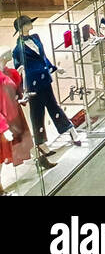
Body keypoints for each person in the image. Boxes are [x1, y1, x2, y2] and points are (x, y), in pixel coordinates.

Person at [11, 16, 80, 152]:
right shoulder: (18, 49)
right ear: (22, 27)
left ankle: (69, 129)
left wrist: (53, 68)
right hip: (33, 83)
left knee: (53, 105)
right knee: (37, 112)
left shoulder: (36, 38)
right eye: (28, 23)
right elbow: (18, 70)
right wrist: (22, 89)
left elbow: (43, 57)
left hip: (44, 79)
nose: (31, 24)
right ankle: (41, 142)